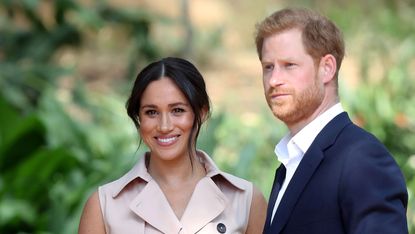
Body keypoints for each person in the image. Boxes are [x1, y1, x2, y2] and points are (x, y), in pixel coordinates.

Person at [254, 7, 408, 234]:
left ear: (327, 68)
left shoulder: (362, 159)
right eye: (268, 67)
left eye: (289, 65)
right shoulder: (292, 161)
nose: (274, 79)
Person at [78, 57, 267, 234]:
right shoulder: (104, 205)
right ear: (139, 118)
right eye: (151, 112)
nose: (164, 126)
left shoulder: (246, 201)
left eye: (178, 110)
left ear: (201, 113)